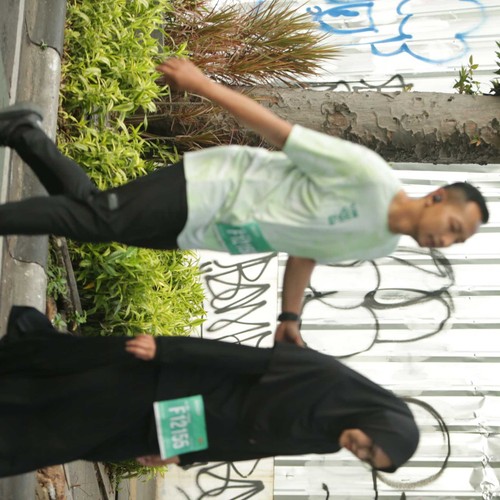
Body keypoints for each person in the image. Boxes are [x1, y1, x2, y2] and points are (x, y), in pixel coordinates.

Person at [0, 59, 489, 346]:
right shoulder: (369, 175)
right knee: (100, 218)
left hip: (212, 230)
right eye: (452, 226)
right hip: (218, 186)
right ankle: (21, 140)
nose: (445, 241)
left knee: (97, 213)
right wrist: (202, 84)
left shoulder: (381, 244)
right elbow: (279, 132)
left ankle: (23, 131)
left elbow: (306, 249)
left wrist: (289, 318)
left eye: (456, 241)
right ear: (437, 197)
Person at [0, 305, 418, 477]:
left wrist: (181, 454)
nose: (358, 451)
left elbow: (249, 447)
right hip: (162, 388)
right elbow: (237, 358)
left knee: (78, 440)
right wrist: (166, 349)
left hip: (176, 427)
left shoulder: (327, 440)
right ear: (376, 422)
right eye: (368, 446)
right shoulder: (323, 375)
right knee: (57, 414)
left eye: (366, 459)